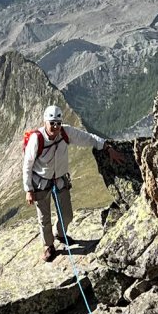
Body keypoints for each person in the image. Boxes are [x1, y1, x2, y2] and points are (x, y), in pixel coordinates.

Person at [22, 103, 105, 261]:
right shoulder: (36, 139)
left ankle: (60, 233)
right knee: (44, 218)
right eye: (52, 123)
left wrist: (105, 146)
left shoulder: (65, 132)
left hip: (59, 179)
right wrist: (28, 189)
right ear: (45, 122)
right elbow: (27, 164)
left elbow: (86, 138)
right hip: (40, 182)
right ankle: (48, 246)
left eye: (58, 123)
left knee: (67, 214)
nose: (55, 127)